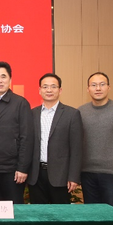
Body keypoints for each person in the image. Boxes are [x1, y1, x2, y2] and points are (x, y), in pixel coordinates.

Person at [0, 61, 33, 203]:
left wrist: (22, 168)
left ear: (10, 79)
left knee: (14, 208)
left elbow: (27, 137)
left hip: (12, 170)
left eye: (3, 76)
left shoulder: (20, 103)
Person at [79, 72, 113, 209]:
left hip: (112, 174)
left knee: (112, 214)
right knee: (91, 214)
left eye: (102, 84)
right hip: (87, 173)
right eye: (94, 85)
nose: (98, 88)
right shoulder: (81, 112)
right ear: (88, 89)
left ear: (108, 87)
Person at [28, 73, 83, 204]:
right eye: (45, 87)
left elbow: (77, 148)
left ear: (60, 90)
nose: (49, 90)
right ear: (39, 90)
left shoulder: (72, 114)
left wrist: (73, 177)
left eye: (53, 86)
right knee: (38, 213)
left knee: (60, 213)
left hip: (61, 175)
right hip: (36, 175)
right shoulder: (31, 113)